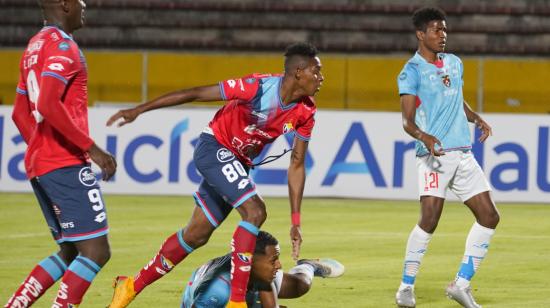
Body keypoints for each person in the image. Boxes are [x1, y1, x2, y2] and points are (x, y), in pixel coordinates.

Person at [107, 42, 323, 308]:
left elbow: (297, 164)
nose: (321, 78)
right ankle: (236, 303)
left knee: (196, 234)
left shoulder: (307, 111)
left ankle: (129, 287)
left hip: (239, 163)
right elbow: (196, 92)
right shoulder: (257, 87)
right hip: (215, 148)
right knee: (255, 211)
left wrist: (296, 221)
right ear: (298, 72)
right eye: (317, 71)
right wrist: (139, 110)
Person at [5, 0, 117, 307]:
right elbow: (48, 105)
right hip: (63, 162)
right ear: (65, 5)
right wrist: (92, 150)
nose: (85, 6)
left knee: (70, 251)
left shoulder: (33, 46)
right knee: (96, 251)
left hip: (40, 162)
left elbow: (19, 113)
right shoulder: (65, 48)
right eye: (81, 2)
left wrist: (41, 148)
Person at [394, 7, 500, 308]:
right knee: (429, 219)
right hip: (434, 155)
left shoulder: (454, 63)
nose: (443, 35)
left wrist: (475, 117)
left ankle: (461, 285)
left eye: (445, 29)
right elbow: (407, 121)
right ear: (421, 34)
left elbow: (456, 97)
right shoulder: (411, 72)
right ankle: (405, 287)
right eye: (437, 30)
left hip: (462, 153)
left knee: (490, 216)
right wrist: (424, 136)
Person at [180, 230, 344, 308]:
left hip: (248, 282)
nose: (279, 265)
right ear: (251, 261)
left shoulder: (262, 275)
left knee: (300, 286)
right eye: (274, 260)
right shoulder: (216, 291)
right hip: (206, 293)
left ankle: (308, 266)